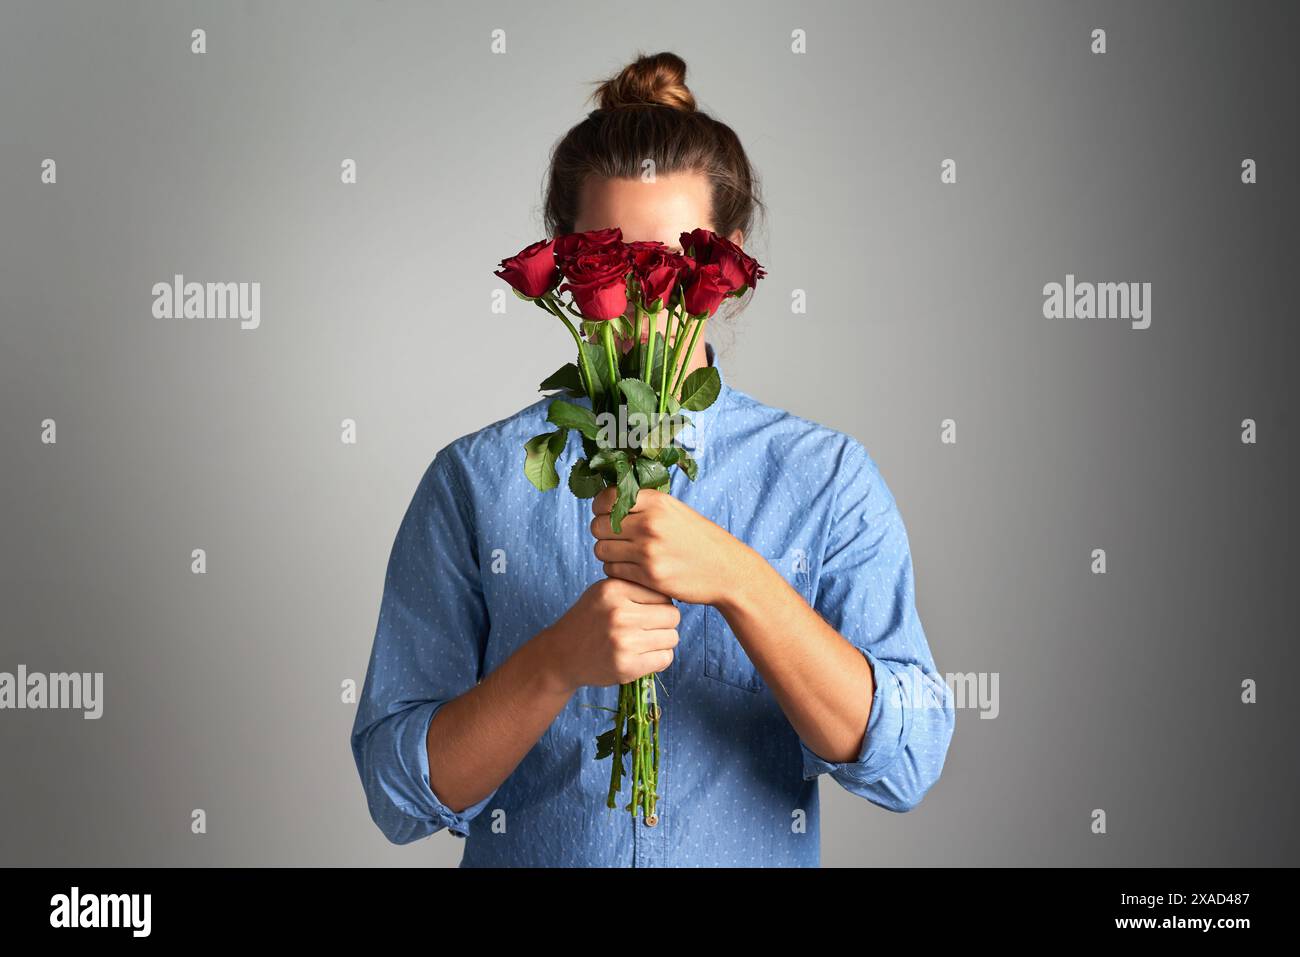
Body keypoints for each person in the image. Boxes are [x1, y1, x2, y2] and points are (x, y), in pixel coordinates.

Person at [350, 51, 955, 867]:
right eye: (617, 258)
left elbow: (908, 761)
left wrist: (743, 580)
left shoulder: (828, 480)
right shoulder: (473, 483)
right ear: (568, 259)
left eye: (673, 263)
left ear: (727, 265)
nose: (646, 298)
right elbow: (397, 793)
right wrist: (555, 662)